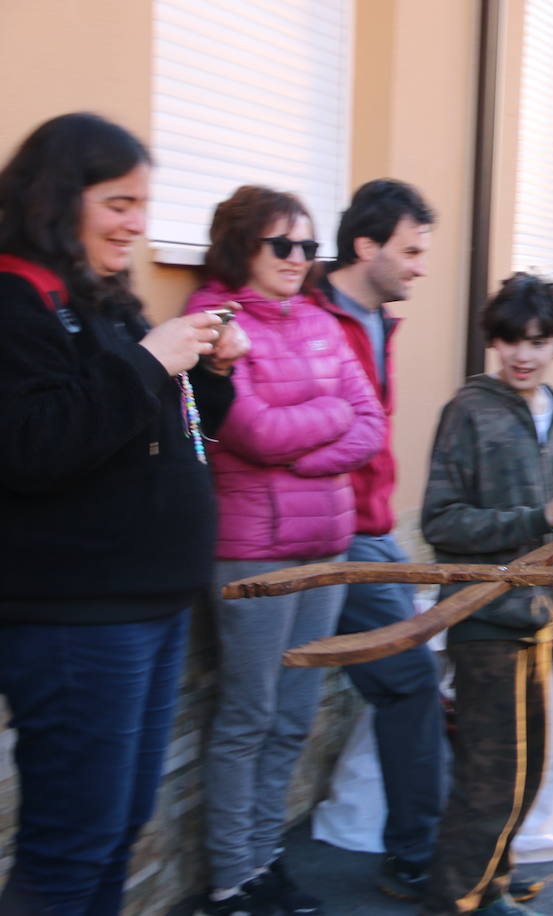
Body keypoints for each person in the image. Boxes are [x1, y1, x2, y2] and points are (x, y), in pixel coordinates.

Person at [0, 112, 247, 915]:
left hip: (144, 606)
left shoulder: (97, 298)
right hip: (76, 618)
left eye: (143, 203)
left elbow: (154, 426)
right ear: (57, 198)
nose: (137, 222)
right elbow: (32, 445)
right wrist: (148, 362)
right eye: (117, 202)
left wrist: (204, 374)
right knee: (70, 848)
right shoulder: (14, 298)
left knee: (115, 833)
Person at [187, 185, 386, 916]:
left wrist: (302, 445)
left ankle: (266, 859)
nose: (300, 260)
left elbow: (369, 423)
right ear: (241, 245)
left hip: (325, 545)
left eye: (309, 247)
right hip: (254, 552)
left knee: (295, 716)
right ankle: (231, 881)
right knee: (248, 715)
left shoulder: (320, 321)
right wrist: (320, 436)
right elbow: (252, 432)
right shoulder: (212, 322)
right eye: (284, 246)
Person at [419, 273, 553, 916]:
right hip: (481, 613)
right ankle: (456, 897)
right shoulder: (468, 410)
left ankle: (494, 876)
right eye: (509, 340)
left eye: (537, 341)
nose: (522, 355)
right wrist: (540, 514)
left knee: (528, 769)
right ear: (495, 342)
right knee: (491, 772)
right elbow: (440, 521)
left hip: (536, 614)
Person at [315, 178, 445, 902]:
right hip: (330, 538)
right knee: (409, 681)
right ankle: (419, 854)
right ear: (366, 246)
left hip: (372, 531)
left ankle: (419, 846)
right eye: (411, 250)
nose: (421, 265)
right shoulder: (312, 317)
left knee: (412, 679)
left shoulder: (374, 319)